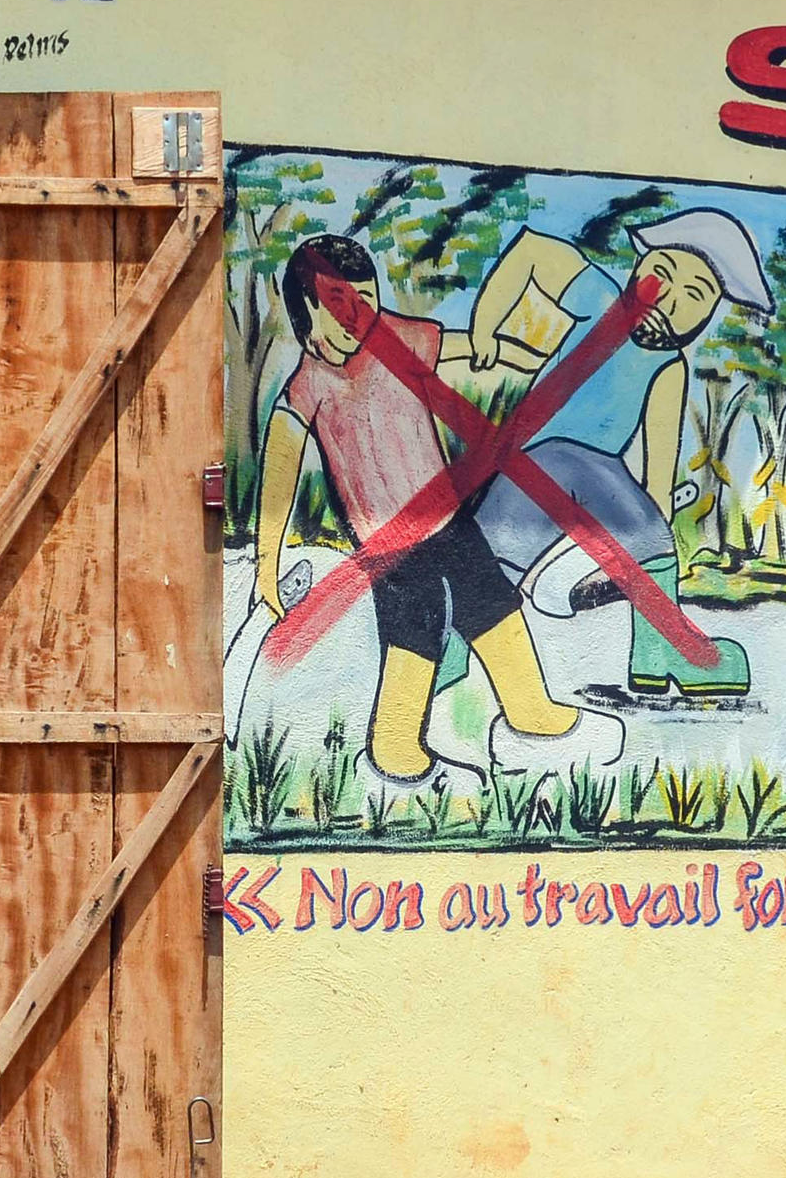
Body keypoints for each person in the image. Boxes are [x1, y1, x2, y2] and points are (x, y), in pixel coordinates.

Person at [252, 234, 618, 789]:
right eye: (336, 306)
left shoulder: (399, 340)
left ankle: (532, 717)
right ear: (304, 311)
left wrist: (514, 351)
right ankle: (395, 758)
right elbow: (278, 479)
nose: (355, 320)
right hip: (389, 545)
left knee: (496, 609)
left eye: (365, 302)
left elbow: (471, 348)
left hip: (450, 520)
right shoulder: (307, 388)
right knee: (414, 638)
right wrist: (265, 567)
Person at [452, 210, 777, 702]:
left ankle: (661, 652)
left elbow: (659, 467)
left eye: (693, 296)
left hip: (596, 469)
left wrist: (657, 530)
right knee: (496, 553)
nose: (666, 298)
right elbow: (532, 252)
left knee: (644, 530)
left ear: (707, 316)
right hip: (537, 459)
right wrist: (483, 328)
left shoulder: (669, 365)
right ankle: (446, 653)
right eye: (661, 274)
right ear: (639, 265)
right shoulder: (599, 296)